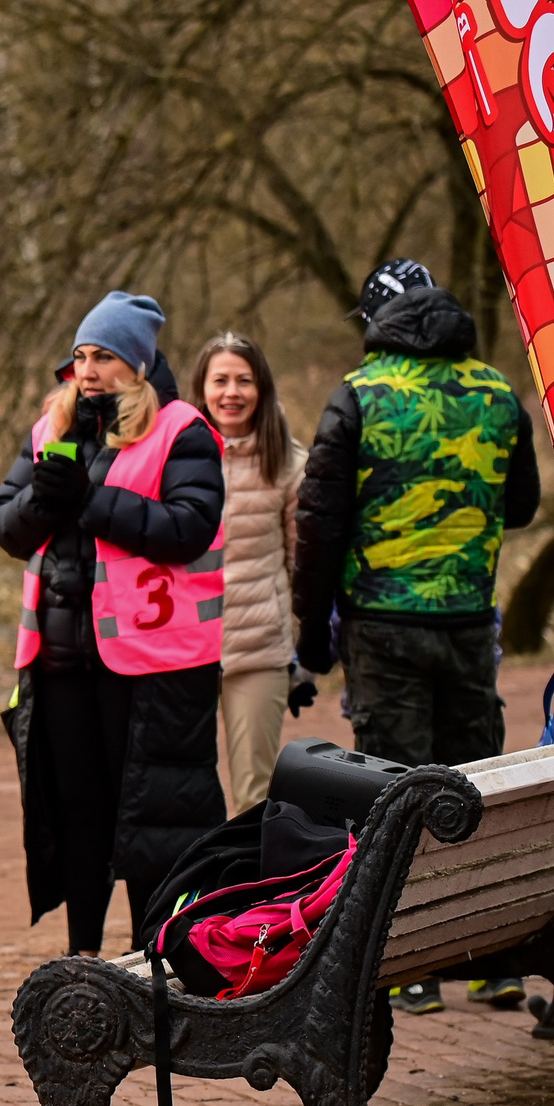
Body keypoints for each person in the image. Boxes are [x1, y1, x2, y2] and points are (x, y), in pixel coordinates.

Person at [293, 258, 540, 1015]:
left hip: (384, 627)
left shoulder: (360, 396)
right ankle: (492, 961)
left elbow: (321, 525)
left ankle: (407, 967)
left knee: (394, 790)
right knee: (470, 783)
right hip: (467, 623)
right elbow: (524, 503)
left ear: (377, 325)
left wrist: (313, 630)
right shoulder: (497, 392)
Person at [0, 294, 228, 959]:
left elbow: (188, 528)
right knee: (79, 813)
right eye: (83, 356)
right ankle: (84, 959)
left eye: (105, 357)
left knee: (145, 818)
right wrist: (44, 497)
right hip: (60, 658)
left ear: (140, 366)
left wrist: (90, 502)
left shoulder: (183, 430)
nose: (88, 370)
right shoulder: (51, 427)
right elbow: (4, 525)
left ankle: (153, 958)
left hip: (148, 662)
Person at [193, 332, 311, 812]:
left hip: (259, 649)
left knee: (253, 796)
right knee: (188, 796)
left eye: (244, 380)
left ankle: (253, 889)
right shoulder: (177, 457)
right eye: (220, 380)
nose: (231, 392)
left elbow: (300, 565)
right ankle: (197, 888)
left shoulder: (290, 463)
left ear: (261, 388)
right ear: (201, 389)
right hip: (187, 651)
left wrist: (301, 651)